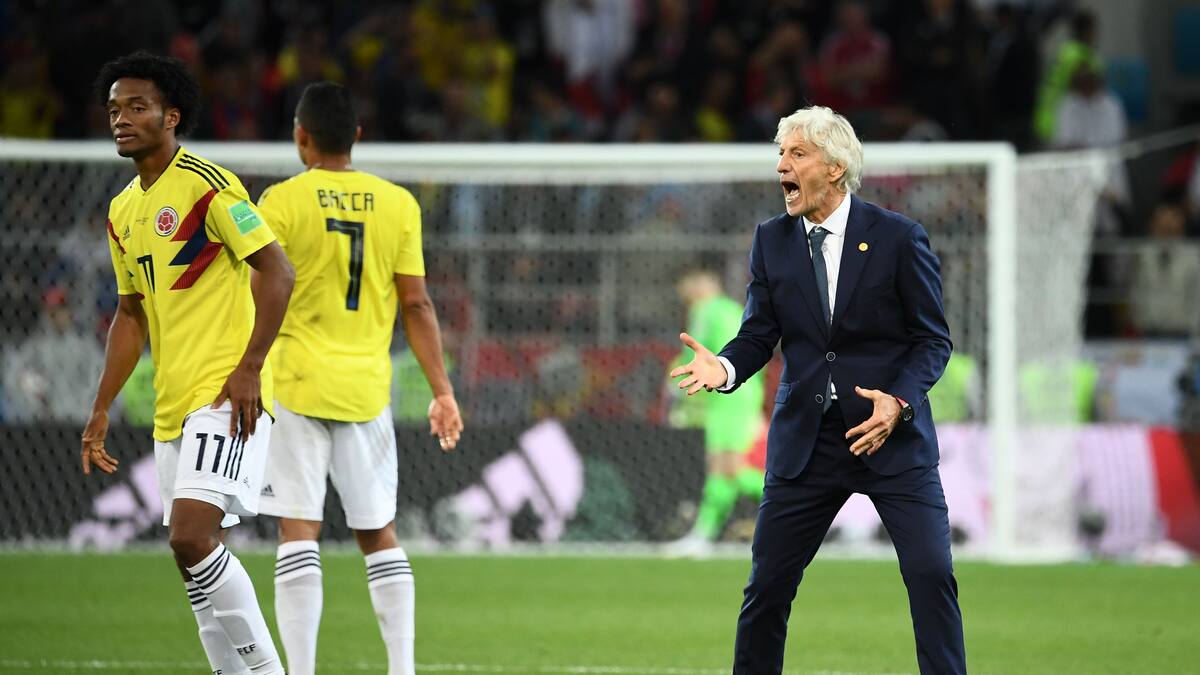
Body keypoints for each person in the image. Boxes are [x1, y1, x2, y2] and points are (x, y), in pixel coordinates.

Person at [671, 106, 966, 674]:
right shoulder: (771, 240)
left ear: (834, 168)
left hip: (890, 437)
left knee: (932, 575)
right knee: (767, 589)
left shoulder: (899, 238)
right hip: (807, 442)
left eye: (796, 154)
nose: (782, 165)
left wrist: (899, 401)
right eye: (780, 154)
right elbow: (759, 334)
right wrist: (725, 369)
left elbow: (933, 340)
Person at [82, 52, 294, 675]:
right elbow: (130, 314)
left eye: (137, 107)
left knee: (190, 536)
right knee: (191, 563)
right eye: (114, 109)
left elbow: (278, 270)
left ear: (171, 116)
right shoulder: (122, 211)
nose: (121, 119)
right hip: (172, 404)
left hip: (226, 392)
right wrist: (101, 406)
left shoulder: (209, 185)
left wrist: (251, 367)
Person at [255, 81, 463, 675]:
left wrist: (245, 367)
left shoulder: (280, 202)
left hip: (294, 381)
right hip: (366, 388)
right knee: (378, 534)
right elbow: (416, 304)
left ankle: (300, 670)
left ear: (301, 137)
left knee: (299, 530)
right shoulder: (399, 204)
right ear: (357, 137)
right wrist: (443, 391)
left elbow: (259, 292)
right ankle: (403, 669)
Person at [666, 270, 765, 556]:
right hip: (743, 391)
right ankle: (702, 535)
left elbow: (693, 355)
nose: (685, 294)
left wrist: (678, 392)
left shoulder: (704, 310)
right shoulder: (734, 309)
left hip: (728, 397)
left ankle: (809, 504)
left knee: (729, 468)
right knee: (721, 471)